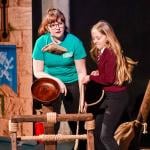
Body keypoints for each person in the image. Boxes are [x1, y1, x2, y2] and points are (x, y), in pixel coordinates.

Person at [32, 8, 87, 148]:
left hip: (73, 82)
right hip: (50, 83)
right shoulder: (41, 42)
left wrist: (83, 98)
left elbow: (81, 72)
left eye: (60, 23)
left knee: (77, 122)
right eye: (53, 25)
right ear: (47, 28)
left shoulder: (74, 42)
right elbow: (37, 72)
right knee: (51, 123)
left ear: (64, 24)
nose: (57, 27)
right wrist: (57, 81)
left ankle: (80, 147)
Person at [82, 20, 137, 150]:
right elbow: (107, 73)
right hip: (108, 97)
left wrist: (91, 76)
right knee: (97, 132)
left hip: (117, 97)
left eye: (98, 38)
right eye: (93, 38)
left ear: (107, 37)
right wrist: (98, 73)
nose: (95, 41)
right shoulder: (103, 52)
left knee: (106, 136)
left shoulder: (109, 53)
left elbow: (108, 79)